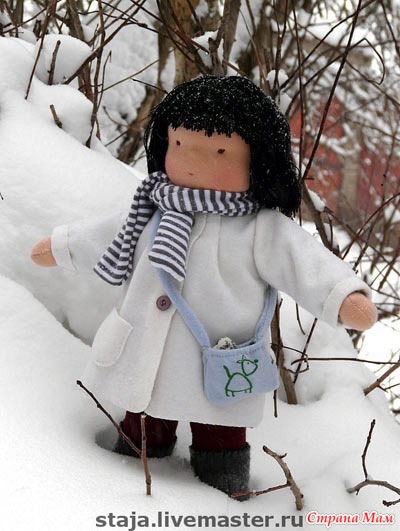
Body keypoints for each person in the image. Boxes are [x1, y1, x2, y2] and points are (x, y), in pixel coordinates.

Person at [31, 75, 377, 499]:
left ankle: (223, 495)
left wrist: (341, 296)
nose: (192, 160)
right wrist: (62, 246)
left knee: (221, 434)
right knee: (141, 420)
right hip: (145, 355)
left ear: (258, 160)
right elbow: (106, 234)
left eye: (219, 152)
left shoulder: (258, 228)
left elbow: (303, 262)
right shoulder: (152, 209)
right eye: (179, 144)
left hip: (216, 361)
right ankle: (125, 478)